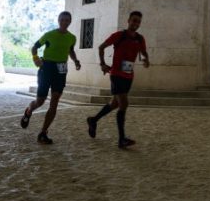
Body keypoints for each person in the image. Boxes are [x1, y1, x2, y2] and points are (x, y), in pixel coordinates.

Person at [87, 11, 150, 149]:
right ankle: (122, 139)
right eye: (133, 20)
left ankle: (93, 120)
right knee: (124, 104)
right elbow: (101, 47)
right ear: (128, 21)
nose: (135, 23)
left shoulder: (140, 38)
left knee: (115, 103)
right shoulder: (119, 36)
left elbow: (143, 52)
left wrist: (146, 59)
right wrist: (102, 64)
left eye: (138, 21)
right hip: (116, 75)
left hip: (128, 75)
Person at [20, 11, 81, 145]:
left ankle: (43, 132)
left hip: (61, 71)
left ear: (70, 22)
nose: (65, 22)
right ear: (58, 20)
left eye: (67, 20)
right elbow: (34, 47)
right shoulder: (49, 35)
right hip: (46, 68)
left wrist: (75, 60)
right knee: (40, 101)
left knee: (54, 103)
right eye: (62, 20)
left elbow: (70, 50)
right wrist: (35, 59)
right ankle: (28, 111)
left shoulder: (72, 37)